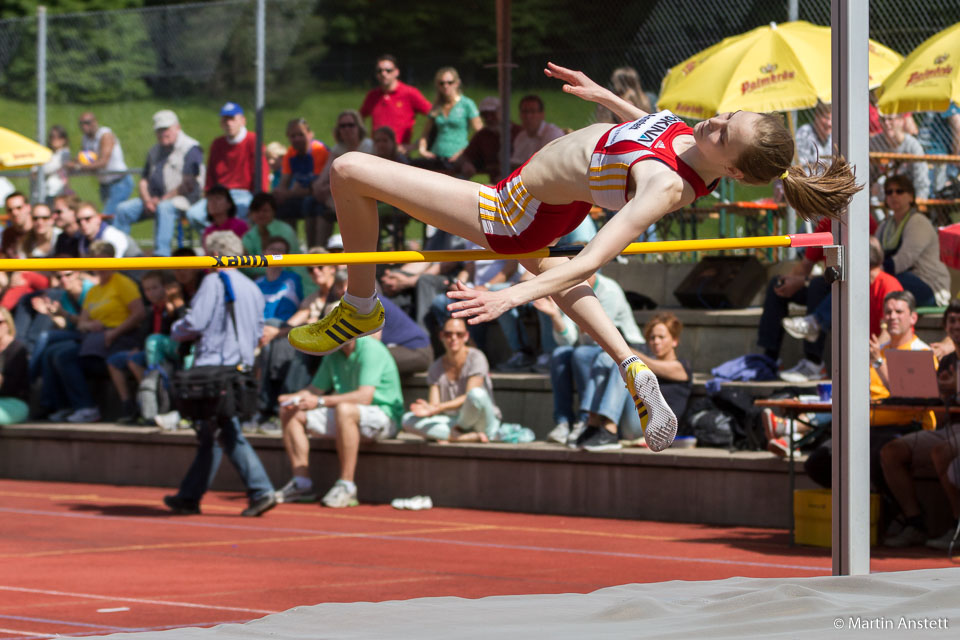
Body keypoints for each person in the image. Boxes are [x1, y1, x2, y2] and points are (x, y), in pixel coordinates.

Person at [289, 62, 861, 453]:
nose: (711, 123)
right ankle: (629, 362)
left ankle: (360, 302)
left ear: (731, 172)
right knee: (544, 262)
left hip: (507, 212)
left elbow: (588, 263)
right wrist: (607, 97)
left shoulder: (662, 186)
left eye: (721, 134)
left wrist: (508, 294)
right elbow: (653, 127)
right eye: (725, 116)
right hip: (546, 208)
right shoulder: (690, 138)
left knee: (346, 170)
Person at [164, 231, 277, 518]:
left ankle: (260, 489)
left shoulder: (215, 281)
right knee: (212, 432)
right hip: (240, 368)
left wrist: (176, 329)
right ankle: (190, 495)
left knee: (225, 431)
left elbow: (196, 321)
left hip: (215, 369)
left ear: (215, 254)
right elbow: (259, 329)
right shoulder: (251, 287)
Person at [804, 291, 937, 493]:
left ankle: (904, 517)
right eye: (888, 312)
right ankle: (855, 510)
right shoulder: (877, 350)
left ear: (913, 317)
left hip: (907, 427)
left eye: (899, 312)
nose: (892, 316)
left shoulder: (920, 352)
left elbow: (907, 395)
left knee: (875, 458)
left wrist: (878, 362)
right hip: (868, 426)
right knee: (818, 461)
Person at [275, 335, 404, 507]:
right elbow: (315, 390)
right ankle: (301, 483)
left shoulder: (371, 349)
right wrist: (292, 399)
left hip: (385, 417)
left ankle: (347, 485)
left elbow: (365, 396)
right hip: (350, 414)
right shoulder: (333, 352)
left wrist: (321, 402)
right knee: (290, 412)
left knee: (344, 409)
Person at [880, 301, 960, 548]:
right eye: (952, 321)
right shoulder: (948, 361)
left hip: (953, 435)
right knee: (890, 452)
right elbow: (937, 403)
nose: (957, 326)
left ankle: (958, 526)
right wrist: (942, 391)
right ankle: (915, 522)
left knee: (941, 452)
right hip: (949, 428)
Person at [40, 241, 145, 423]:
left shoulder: (123, 284)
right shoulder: (94, 291)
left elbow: (139, 314)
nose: (100, 266)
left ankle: (88, 408)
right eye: (96, 262)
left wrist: (114, 333)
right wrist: (89, 326)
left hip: (120, 339)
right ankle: (75, 406)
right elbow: (81, 323)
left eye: (104, 261)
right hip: (96, 343)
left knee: (60, 352)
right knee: (59, 354)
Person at [766, 216, 877, 382]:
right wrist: (789, 281)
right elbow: (808, 265)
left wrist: (803, 281)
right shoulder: (827, 222)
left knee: (817, 286)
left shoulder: (862, 217)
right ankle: (768, 359)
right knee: (778, 285)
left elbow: (861, 269)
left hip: (857, 283)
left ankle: (813, 360)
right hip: (833, 280)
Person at [542, 270, 645, 446]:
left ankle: (588, 419)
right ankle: (564, 422)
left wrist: (578, 313)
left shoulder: (609, 291)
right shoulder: (567, 287)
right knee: (560, 355)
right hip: (589, 346)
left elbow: (603, 336)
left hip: (625, 345)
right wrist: (555, 316)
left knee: (582, 354)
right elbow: (568, 340)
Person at [402, 317, 530, 444]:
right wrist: (429, 409)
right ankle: (464, 437)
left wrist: (438, 408)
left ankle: (453, 435)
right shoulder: (435, 366)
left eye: (459, 334)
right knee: (407, 420)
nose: (453, 338)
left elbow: (469, 396)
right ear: (441, 336)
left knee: (476, 395)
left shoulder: (477, 357)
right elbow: (435, 405)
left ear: (466, 336)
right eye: (448, 334)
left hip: (482, 420)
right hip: (452, 420)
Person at [574, 313, 692, 451]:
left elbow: (654, 366)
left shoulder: (682, 367)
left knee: (626, 365)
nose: (656, 342)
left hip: (653, 429)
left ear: (674, 341)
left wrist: (623, 351)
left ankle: (609, 430)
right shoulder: (644, 362)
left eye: (661, 337)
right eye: (652, 338)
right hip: (629, 420)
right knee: (604, 359)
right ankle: (593, 424)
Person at [113, 110, 205, 257]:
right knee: (123, 210)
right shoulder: (154, 151)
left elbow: (188, 184)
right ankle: (120, 254)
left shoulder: (191, 148)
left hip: (184, 200)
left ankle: (161, 256)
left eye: (166, 129)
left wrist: (161, 200)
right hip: (154, 199)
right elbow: (144, 180)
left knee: (164, 208)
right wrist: (147, 200)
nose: (163, 133)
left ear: (177, 128)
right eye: (159, 130)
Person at [105, 270, 185, 423]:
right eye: (147, 289)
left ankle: (153, 400)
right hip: (147, 351)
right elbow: (144, 335)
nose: (150, 293)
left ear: (166, 287)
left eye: (154, 288)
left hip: (167, 352)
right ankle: (129, 405)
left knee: (134, 360)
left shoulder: (173, 307)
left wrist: (173, 308)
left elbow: (179, 330)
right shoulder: (151, 310)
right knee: (114, 360)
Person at [184, 102, 270, 231]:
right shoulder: (217, 144)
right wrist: (209, 194)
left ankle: (237, 245)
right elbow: (211, 175)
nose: (229, 123)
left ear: (242, 121)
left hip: (245, 194)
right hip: (221, 194)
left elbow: (262, 172)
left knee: (238, 217)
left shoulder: (253, 140)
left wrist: (260, 198)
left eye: (232, 119)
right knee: (193, 215)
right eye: (225, 120)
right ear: (221, 123)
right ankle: (216, 239)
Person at [873, 174, 950, 307]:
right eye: (889, 192)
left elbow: (903, 260)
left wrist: (873, 270)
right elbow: (873, 252)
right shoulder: (885, 225)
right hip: (901, 279)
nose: (893, 195)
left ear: (911, 196)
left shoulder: (918, 222)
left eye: (899, 191)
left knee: (881, 281)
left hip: (930, 287)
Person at [359, 54, 432, 152]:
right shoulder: (373, 95)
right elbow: (359, 119)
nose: (383, 74)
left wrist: (417, 144)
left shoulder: (409, 93)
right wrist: (364, 142)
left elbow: (435, 116)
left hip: (399, 153)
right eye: (380, 71)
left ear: (396, 72)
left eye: (388, 70)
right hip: (376, 152)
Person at [414, 67, 482, 170]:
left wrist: (465, 152)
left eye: (450, 82)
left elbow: (480, 133)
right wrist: (422, 150)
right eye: (442, 83)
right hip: (436, 157)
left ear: (457, 83)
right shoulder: (437, 106)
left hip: (458, 158)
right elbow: (425, 134)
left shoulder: (467, 104)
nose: (446, 86)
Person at [274, 118, 330, 243]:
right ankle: (289, 247)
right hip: (302, 194)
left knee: (310, 204)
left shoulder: (319, 150)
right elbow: (284, 183)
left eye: (301, 135)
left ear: (310, 134)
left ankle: (316, 250)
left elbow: (316, 188)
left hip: (322, 196)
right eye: (293, 136)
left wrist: (292, 192)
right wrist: (281, 193)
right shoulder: (291, 153)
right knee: (280, 205)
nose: (297, 139)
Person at [67, 112, 133, 214]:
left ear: (95, 122)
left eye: (87, 123)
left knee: (108, 216)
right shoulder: (86, 139)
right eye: (81, 124)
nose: (84, 126)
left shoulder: (105, 135)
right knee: (113, 217)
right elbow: (84, 158)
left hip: (119, 182)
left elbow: (103, 162)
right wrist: (70, 164)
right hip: (104, 184)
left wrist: (77, 167)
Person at [453, 96, 522, 183]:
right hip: (494, 185)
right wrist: (466, 164)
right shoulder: (482, 135)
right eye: (485, 115)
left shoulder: (519, 133)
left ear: (502, 112)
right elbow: (465, 156)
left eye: (492, 114)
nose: (488, 118)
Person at [869, 112, 931, 200]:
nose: (886, 123)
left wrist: (919, 203)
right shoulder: (874, 144)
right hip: (882, 195)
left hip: (906, 196)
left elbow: (921, 180)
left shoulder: (912, 146)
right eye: (883, 119)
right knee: (879, 185)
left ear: (901, 121)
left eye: (890, 119)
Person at [241, 192, 300, 279]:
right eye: (257, 210)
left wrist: (256, 270)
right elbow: (245, 267)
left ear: (274, 212)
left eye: (265, 210)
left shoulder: (285, 231)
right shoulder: (248, 236)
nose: (261, 214)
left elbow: (286, 266)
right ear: (251, 213)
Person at [509, 94, 565, 169]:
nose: (528, 116)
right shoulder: (520, 137)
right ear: (520, 115)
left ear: (542, 115)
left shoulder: (552, 134)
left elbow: (549, 166)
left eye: (533, 111)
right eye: (525, 112)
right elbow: (515, 162)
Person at [0, 306, 29, 425]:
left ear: (8, 324)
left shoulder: (18, 349)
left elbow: (10, 387)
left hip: (14, 403)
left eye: (0, 322)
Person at [201, 185, 249, 250]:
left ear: (229, 204)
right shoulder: (208, 231)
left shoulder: (240, 226)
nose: (213, 202)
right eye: (210, 199)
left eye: (218, 198)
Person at [794, 101, 832, 167]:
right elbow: (798, 166)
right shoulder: (804, 133)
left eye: (832, 119)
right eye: (826, 118)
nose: (829, 123)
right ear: (816, 116)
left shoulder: (834, 137)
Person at [39, 124, 72, 201]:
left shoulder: (64, 153)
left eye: (59, 137)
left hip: (57, 191)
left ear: (64, 139)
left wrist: (39, 168)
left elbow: (50, 168)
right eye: (52, 137)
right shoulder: (49, 153)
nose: (55, 140)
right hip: (46, 191)